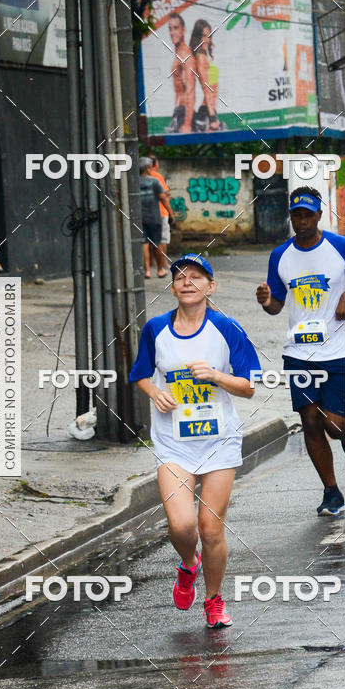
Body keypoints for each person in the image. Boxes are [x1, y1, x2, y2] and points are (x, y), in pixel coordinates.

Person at [129, 253, 260, 628]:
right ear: (172, 287)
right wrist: (154, 392)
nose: (188, 282)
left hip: (219, 442)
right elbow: (140, 374)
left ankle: (214, 600)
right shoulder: (155, 328)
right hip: (173, 443)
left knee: (210, 527)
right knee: (183, 526)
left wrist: (217, 375)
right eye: (180, 277)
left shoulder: (226, 327)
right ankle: (189, 564)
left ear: (210, 286)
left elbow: (250, 385)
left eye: (197, 277)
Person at [256, 186, 345, 517]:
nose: (302, 221)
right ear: (290, 216)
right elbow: (277, 305)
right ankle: (331, 492)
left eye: (308, 214)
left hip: (338, 349)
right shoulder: (280, 255)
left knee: (333, 424)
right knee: (309, 421)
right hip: (298, 352)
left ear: (320, 215)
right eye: (297, 215)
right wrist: (267, 301)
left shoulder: (342, 247)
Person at [139, 157, 174, 279]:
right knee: (156, 243)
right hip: (154, 217)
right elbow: (163, 198)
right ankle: (160, 270)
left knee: (144, 243)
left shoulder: (134, 182)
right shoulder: (155, 181)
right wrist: (171, 213)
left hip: (139, 218)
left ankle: (147, 271)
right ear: (148, 168)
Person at [190, 19, 224, 132]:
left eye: (209, 36)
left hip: (210, 110)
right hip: (208, 114)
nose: (207, 40)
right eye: (203, 36)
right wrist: (213, 118)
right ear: (197, 37)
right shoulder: (200, 58)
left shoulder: (204, 57)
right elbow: (206, 88)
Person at [167, 13, 195, 134]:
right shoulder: (178, 54)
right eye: (170, 29)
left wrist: (187, 124)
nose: (172, 32)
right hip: (178, 111)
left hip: (184, 114)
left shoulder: (185, 55)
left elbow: (190, 91)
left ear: (183, 30)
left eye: (176, 28)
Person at [150, 155, 173, 269]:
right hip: (161, 212)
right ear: (155, 165)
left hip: (148, 212)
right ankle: (163, 263)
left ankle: (152, 262)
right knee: (162, 239)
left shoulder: (141, 176)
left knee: (149, 239)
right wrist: (171, 213)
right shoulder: (157, 176)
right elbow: (164, 195)